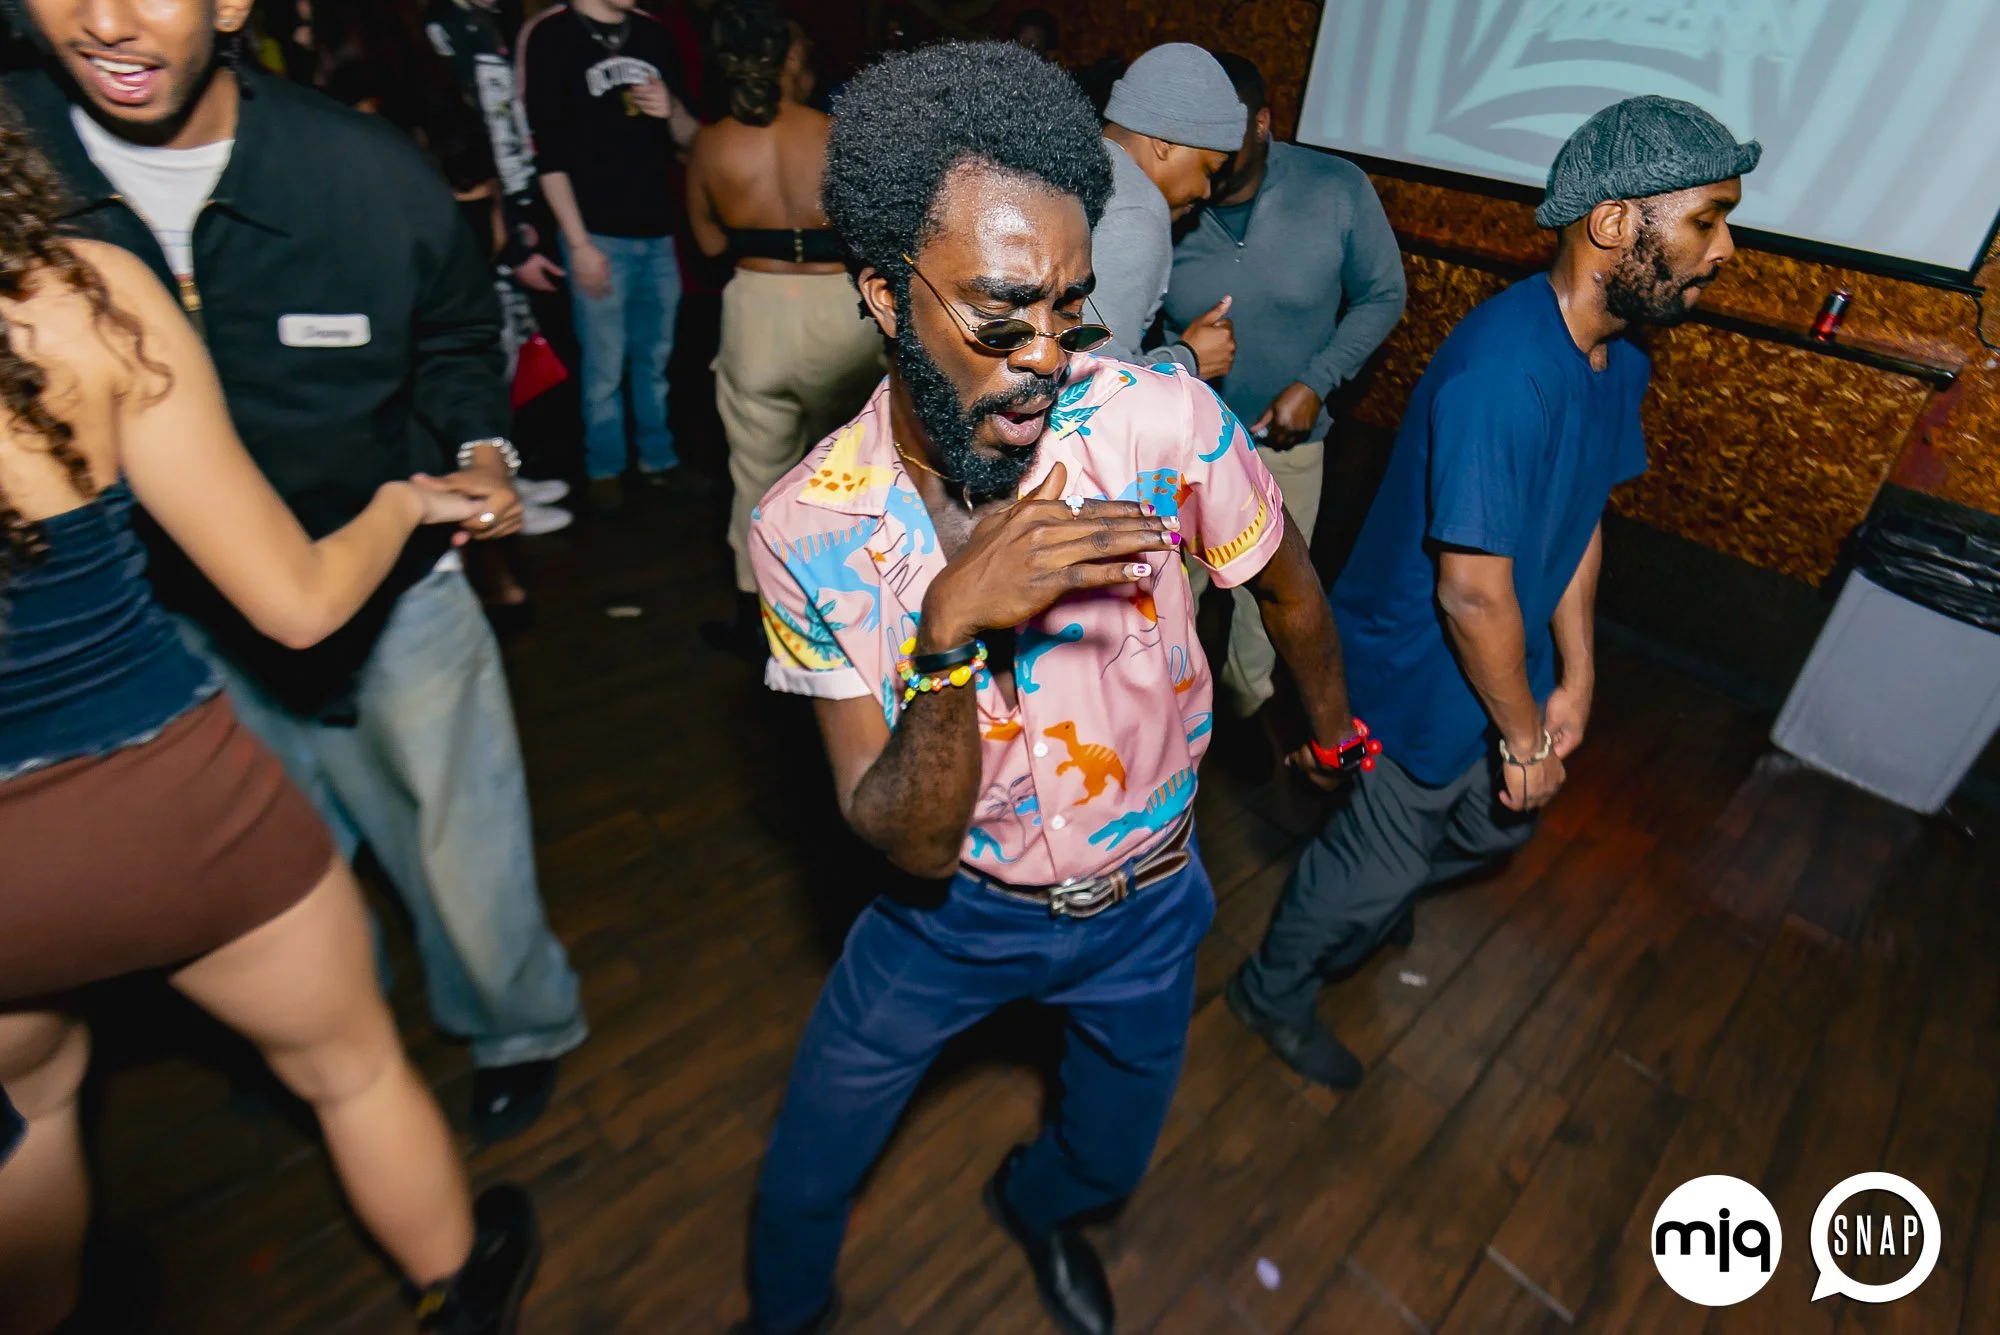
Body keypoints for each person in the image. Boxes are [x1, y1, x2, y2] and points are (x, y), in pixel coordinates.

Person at [734, 41, 1360, 1335]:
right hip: (949, 914)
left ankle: (1038, 1204)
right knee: (806, 1167)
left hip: (1147, 900)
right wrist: (948, 633)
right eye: (999, 318)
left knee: (1109, 1155)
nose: (1043, 362)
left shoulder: (1160, 423)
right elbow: (905, 839)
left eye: (1069, 311)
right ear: (883, 292)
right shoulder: (808, 529)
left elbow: (1291, 590)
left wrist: (1332, 735)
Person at [6, 0, 589, 1144]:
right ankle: (321, 1037)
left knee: (464, 845)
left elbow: (456, 336)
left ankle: (518, 1030)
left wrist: (482, 451)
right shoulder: (18, 151)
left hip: (392, 590)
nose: (106, 21)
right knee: (280, 863)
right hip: (167, 623)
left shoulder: (360, 170)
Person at [1227, 95, 1759, 1090]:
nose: (1724, 249)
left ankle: (1371, 889)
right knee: (1373, 868)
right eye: (1706, 219)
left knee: (1495, 827)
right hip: (1414, 678)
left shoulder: (1617, 357)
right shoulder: (1503, 374)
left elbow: (1581, 516)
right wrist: (1523, 740)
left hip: (1506, 662)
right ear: (1614, 224)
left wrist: (1577, 675)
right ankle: (1272, 988)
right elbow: (1470, 598)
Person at [1166, 53, 1406, 733]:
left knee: (1267, 605)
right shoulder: (1167, 197)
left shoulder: (1336, 188)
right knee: (1165, 593)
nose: (1209, 152)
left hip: (1285, 446)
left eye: (1226, 130)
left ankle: (1245, 711)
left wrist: (1316, 382)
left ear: (1263, 122)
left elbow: (1384, 293)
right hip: (1180, 441)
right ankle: (1167, 722)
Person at [685, 0, 880, 657]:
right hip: (842, 312)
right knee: (850, 467)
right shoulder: (838, 134)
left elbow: (710, 243)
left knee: (757, 475)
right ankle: (856, 606)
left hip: (757, 312)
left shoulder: (710, 142)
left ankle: (760, 619)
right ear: (790, 56)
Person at [520, 0, 701, 513]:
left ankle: (658, 461)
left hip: (658, 230)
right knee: (603, 364)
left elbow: (691, 141)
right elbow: (546, 154)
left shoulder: (653, 34)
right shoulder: (552, 35)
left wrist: (672, 109)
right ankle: (605, 469)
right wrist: (579, 244)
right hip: (596, 233)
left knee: (655, 360)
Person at [1091, 42, 1241, 379]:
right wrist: (1189, 359)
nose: (1206, 191)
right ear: (1166, 143)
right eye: (1209, 170)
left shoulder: (1074, 159)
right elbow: (1098, 383)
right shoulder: (1137, 211)